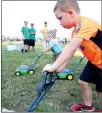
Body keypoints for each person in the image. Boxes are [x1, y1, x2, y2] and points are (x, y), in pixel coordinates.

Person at [43, 0, 102, 112]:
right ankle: (88, 105)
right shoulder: (75, 31)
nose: (59, 23)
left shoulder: (86, 24)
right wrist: (60, 68)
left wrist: (53, 66)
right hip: (94, 62)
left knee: (100, 89)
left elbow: (69, 47)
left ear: (70, 13)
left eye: (60, 18)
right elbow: (71, 52)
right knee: (82, 82)